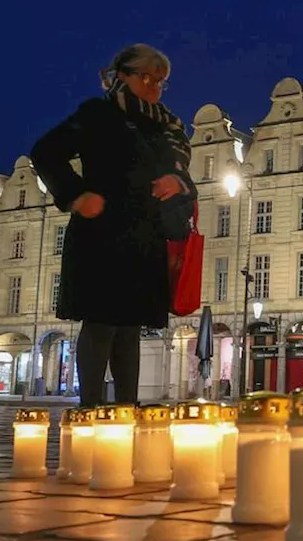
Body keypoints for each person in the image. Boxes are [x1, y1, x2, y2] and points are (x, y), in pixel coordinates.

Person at [31, 44, 196, 407]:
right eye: (146, 77)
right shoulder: (98, 114)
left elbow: (184, 177)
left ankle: (126, 409)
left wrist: (177, 182)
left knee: (130, 328)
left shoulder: (166, 126)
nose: (154, 86)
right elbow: (46, 152)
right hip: (102, 232)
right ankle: (89, 407)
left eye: (161, 81)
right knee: (101, 322)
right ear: (121, 76)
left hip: (146, 236)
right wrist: (76, 195)